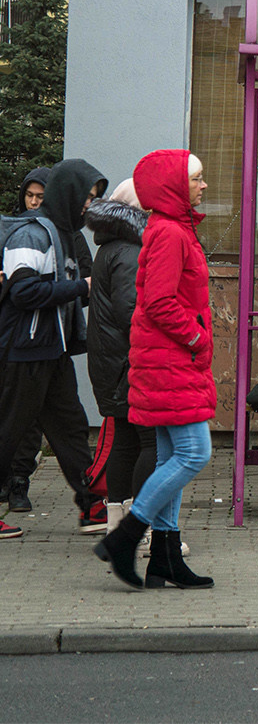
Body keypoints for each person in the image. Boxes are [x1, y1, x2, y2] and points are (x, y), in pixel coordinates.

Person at [96, 150, 212, 589]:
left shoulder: (171, 229)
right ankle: (125, 536)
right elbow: (160, 302)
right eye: (197, 179)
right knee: (193, 453)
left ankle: (164, 559)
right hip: (170, 360)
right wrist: (198, 338)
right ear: (175, 187)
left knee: (168, 456)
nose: (204, 187)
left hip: (167, 360)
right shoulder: (169, 234)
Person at [0, 159, 107, 540]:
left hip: (52, 352)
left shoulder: (65, 235)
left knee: (71, 428)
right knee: (8, 430)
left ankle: (93, 506)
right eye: (86, 198)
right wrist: (85, 287)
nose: (88, 206)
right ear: (68, 194)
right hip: (23, 352)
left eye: (94, 199)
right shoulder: (30, 235)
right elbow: (24, 293)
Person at [85, 180, 157, 538]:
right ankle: (139, 530)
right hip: (128, 364)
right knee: (151, 444)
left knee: (126, 442)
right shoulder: (131, 249)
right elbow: (131, 310)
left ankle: (118, 524)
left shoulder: (113, 246)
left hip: (114, 363)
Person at [5, 166, 51, 513]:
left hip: (40, 339)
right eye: (29, 196)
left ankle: (20, 481)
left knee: (31, 418)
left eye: (40, 198)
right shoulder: (16, 230)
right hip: (12, 335)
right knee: (13, 415)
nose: (33, 204)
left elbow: (83, 277)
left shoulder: (56, 234)